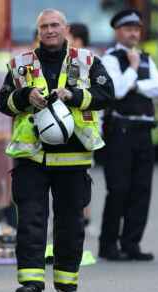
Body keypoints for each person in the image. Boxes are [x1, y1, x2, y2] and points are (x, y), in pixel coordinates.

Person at [0, 9, 114, 292]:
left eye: (54, 25)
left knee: (70, 227)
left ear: (65, 28)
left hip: (73, 157)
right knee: (30, 223)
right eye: (44, 27)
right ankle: (31, 286)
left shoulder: (87, 61)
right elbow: (3, 102)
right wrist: (25, 97)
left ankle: (66, 287)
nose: (49, 30)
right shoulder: (21, 64)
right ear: (38, 32)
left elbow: (106, 94)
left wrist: (73, 95)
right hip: (31, 157)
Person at [98, 9, 158, 261]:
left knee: (141, 190)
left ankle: (132, 243)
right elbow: (116, 91)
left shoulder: (147, 58)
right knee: (118, 189)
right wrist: (133, 70)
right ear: (118, 31)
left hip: (144, 132)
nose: (134, 33)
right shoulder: (110, 59)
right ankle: (108, 245)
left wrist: (136, 83)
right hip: (120, 133)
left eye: (137, 29)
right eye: (128, 29)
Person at [67, 23, 92, 227]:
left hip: (82, 128)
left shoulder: (80, 62)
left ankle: (83, 215)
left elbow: (75, 88)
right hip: (80, 127)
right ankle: (83, 215)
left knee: (82, 176)